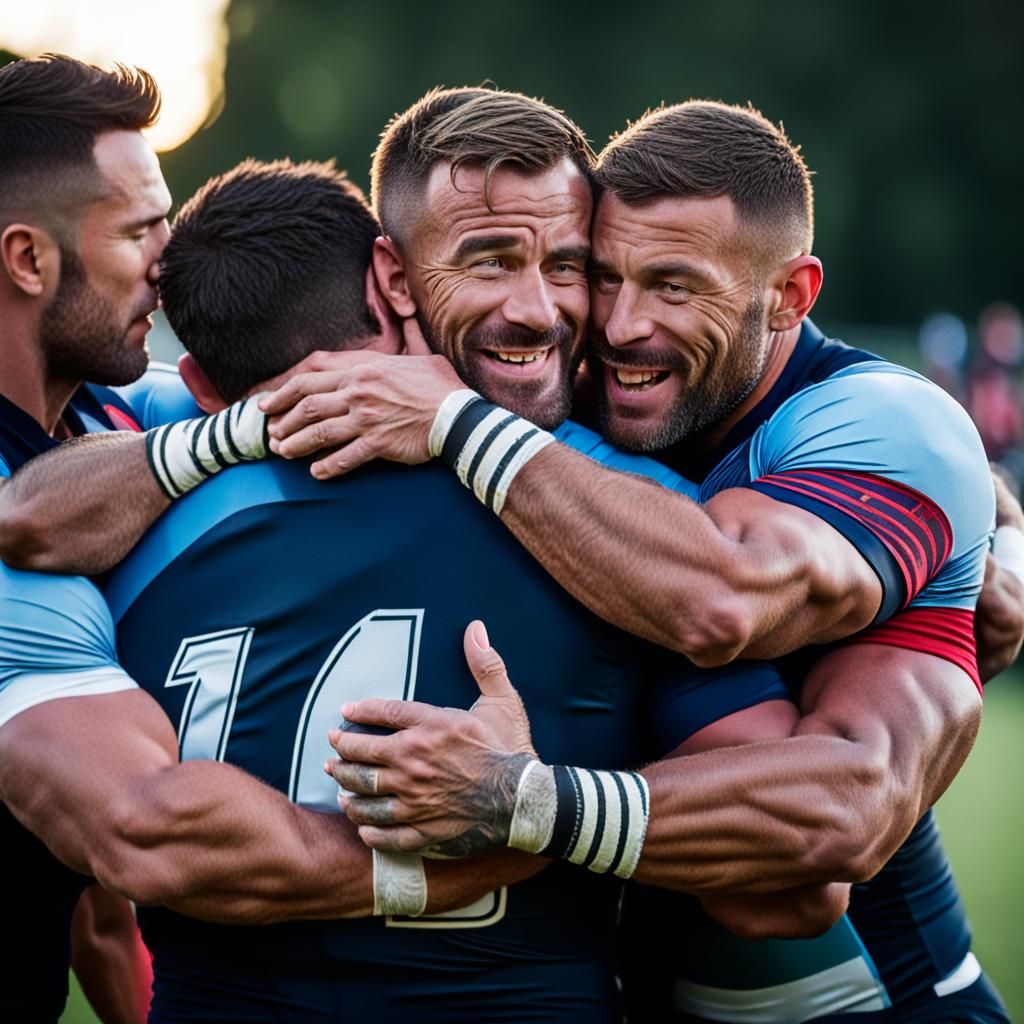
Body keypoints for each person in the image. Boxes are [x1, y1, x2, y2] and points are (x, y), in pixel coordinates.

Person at [260, 98, 1010, 1020]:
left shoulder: (885, 423)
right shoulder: (598, 397)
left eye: (673, 286)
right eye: (603, 275)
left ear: (789, 296)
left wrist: (524, 803)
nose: (617, 326)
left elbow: (818, 791)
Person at [0, 57, 533, 1023]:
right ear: (29, 261)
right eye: (137, 232)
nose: (167, 263)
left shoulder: (118, 413)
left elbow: (101, 919)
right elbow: (142, 834)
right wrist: (471, 856)